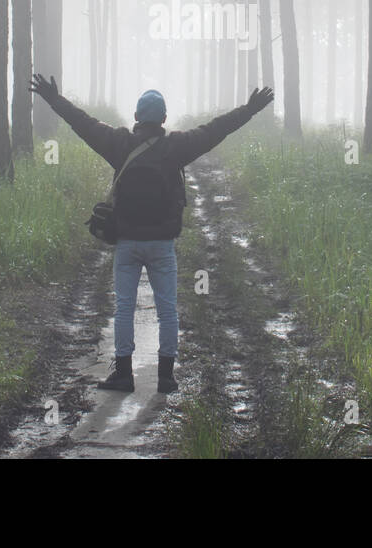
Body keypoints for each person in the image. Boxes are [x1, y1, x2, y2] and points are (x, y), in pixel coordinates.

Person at [28, 73, 274, 393]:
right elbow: (216, 129)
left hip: (127, 240)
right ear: (164, 119)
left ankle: (123, 375)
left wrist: (53, 99)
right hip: (162, 243)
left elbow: (83, 123)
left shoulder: (118, 144)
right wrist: (250, 109)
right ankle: (166, 376)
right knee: (168, 310)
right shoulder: (177, 147)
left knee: (124, 308)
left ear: (135, 118)